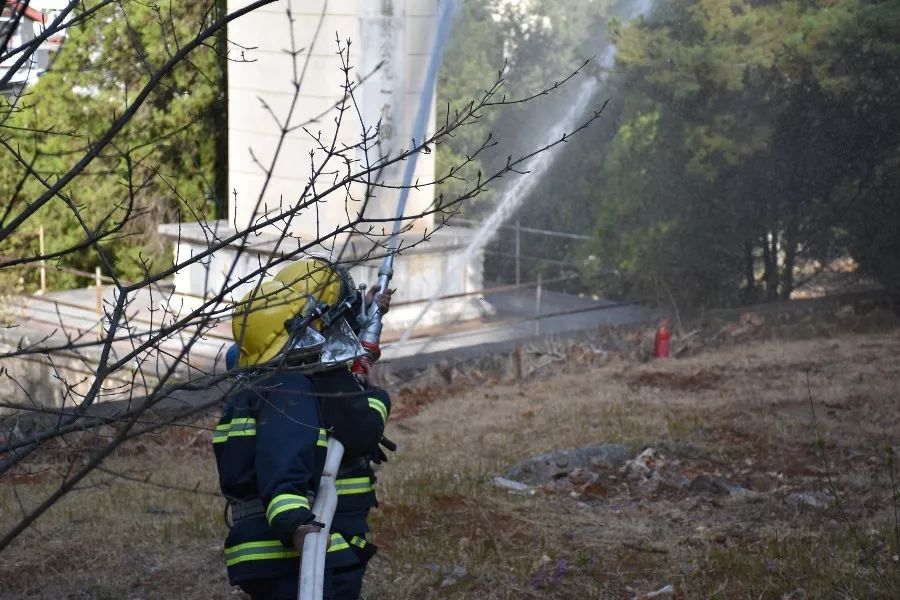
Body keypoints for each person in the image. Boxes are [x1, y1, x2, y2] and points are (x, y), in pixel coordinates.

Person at [214, 258, 394, 600]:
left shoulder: (257, 377)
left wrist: (363, 313)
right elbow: (349, 435)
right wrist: (374, 396)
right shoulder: (292, 388)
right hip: (301, 547)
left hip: (265, 548)